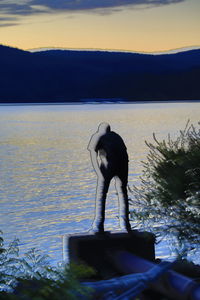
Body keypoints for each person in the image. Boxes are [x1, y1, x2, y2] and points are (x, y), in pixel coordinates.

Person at [88, 122, 131, 233]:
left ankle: (98, 225)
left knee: (101, 194)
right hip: (123, 164)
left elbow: (93, 156)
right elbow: (125, 153)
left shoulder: (97, 136)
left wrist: (98, 173)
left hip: (109, 165)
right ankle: (126, 225)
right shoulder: (116, 136)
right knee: (123, 193)